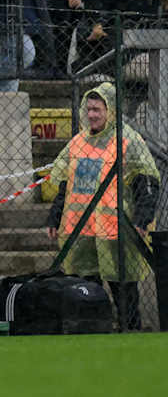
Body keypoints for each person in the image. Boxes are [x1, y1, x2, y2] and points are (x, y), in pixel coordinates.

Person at [46, 82, 161, 330]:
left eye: (97, 110)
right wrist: (55, 217)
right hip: (81, 232)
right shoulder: (78, 142)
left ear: (110, 110)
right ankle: (94, 329)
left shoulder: (128, 141)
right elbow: (68, 184)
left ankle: (130, 330)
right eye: (88, 109)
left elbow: (146, 181)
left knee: (124, 289)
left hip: (116, 231)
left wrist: (142, 220)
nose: (91, 115)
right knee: (86, 291)